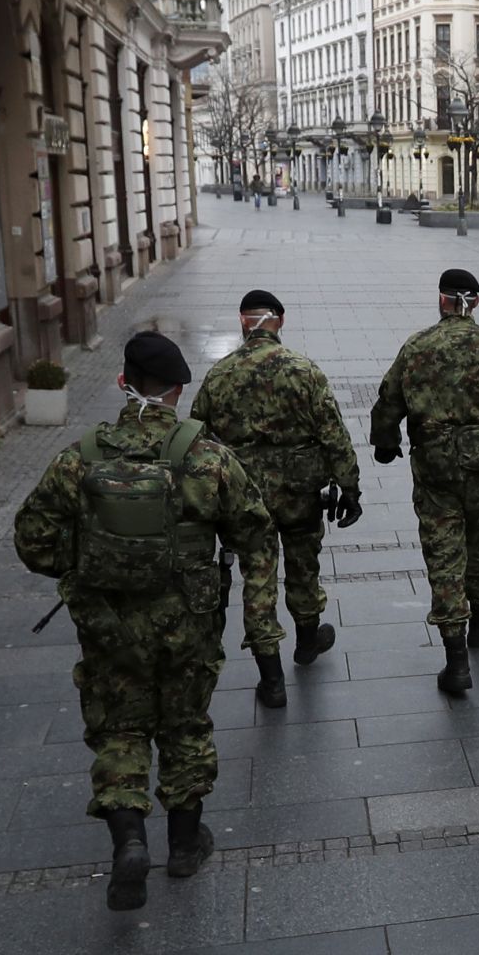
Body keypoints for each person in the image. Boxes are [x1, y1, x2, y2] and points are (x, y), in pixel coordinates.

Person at [13, 332, 278, 912]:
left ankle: (129, 842)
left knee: (120, 730)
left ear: (121, 382)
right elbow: (256, 533)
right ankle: (184, 845)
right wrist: (259, 618)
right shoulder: (207, 457)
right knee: (184, 726)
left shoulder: (80, 458)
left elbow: (31, 541)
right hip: (188, 620)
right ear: (179, 391)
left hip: (108, 625)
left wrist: (85, 566)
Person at [370, 268, 479, 695]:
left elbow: (388, 401)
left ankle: (456, 660)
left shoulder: (417, 347)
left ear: (442, 300)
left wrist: (385, 443)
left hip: (435, 471)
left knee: (444, 555)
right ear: (476, 302)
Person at [190, 289, 362, 708]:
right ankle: (307, 640)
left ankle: (271, 678)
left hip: (244, 498)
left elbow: (197, 438)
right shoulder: (303, 371)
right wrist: (350, 486)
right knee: (304, 565)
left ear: (242, 322)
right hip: (299, 493)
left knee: (258, 577)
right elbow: (333, 434)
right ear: (279, 322)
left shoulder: (219, 375)